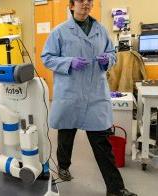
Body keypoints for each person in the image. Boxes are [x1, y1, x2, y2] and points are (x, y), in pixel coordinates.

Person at [41, 0, 136, 196]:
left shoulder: (101, 30)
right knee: (66, 137)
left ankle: (116, 189)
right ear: (72, 5)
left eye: (89, 1)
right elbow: (47, 57)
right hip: (70, 94)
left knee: (102, 143)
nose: (86, 4)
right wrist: (69, 62)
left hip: (95, 95)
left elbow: (113, 53)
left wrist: (107, 59)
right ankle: (64, 166)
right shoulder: (59, 32)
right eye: (81, 1)